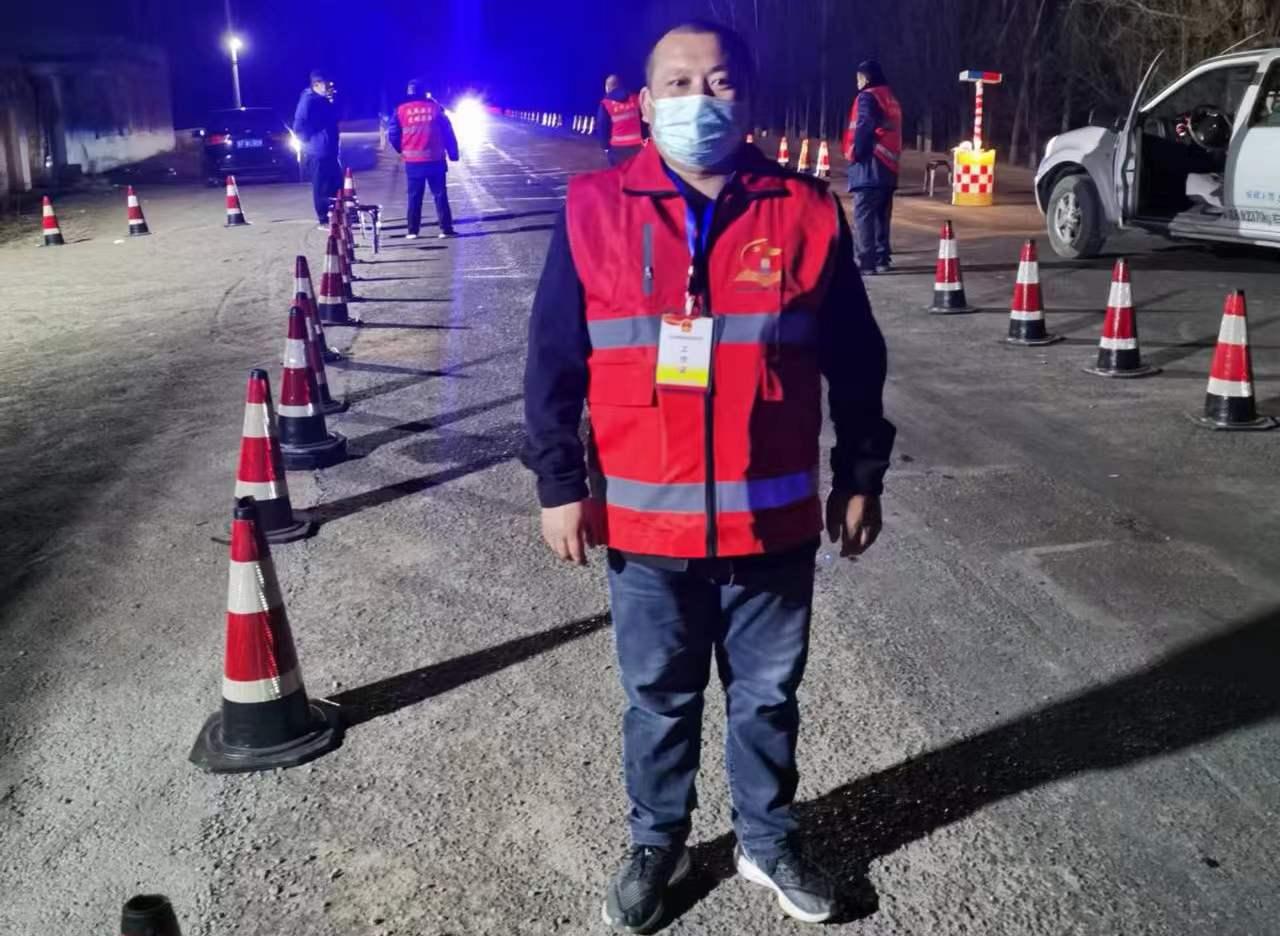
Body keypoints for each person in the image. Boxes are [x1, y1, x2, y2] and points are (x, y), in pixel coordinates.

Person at [522, 19, 894, 931]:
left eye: (719, 82)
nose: (700, 100)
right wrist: (559, 483)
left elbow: (856, 359)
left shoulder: (806, 211)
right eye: (679, 84)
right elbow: (553, 361)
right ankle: (659, 842)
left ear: (747, 97)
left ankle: (766, 840)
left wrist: (861, 474)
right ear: (646, 104)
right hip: (645, 529)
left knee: (767, 697)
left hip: (773, 525)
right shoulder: (594, 208)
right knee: (658, 700)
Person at [841, 60, 902, 274]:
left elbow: (864, 125)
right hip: (889, 165)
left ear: (866, 78)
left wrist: (857, 153)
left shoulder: (867, 96)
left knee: (864, 213)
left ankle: (866, 262)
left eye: (859, 78)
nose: (857, 82)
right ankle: (882, 258)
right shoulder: (890, 98)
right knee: (882, 215)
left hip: (870, 162)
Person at [388, 79, 459, 239]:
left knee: (414, 197)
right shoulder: (435, 108)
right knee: (440, 195)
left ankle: (412, 231)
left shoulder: (401, 110)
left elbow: (393, 134)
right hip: (435, 159)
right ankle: (446, 229)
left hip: (413, 162)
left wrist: (401, 148)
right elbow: (448, 132)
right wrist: (453, 153)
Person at [293, 70, 343, 230]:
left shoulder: (323, 100)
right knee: (321, 186)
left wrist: (332, 102)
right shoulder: (308, 101)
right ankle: (324, 219)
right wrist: (312, 140)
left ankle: (336, 216)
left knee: (336, 183)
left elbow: (336, 117)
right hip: (317, 151)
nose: (329, 87)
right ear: (316, 84)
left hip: (330, 150)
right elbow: (299, 126)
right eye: (326, 84)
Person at [595, 74, 645, 166]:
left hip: (617, 149)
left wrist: (605, 147)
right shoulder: (635, 98)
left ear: (607, 87)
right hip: (637, 147)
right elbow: (644, 120)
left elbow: (602, 126)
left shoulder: (606, 104)